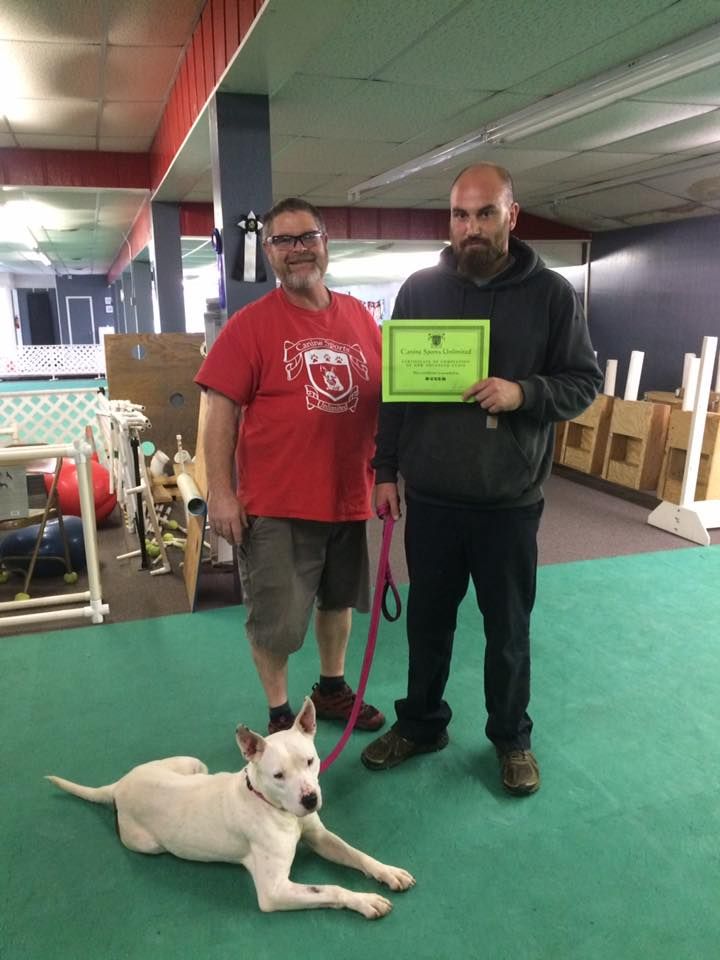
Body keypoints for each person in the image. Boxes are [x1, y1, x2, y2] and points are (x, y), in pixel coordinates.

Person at [360, 164, 603, 795]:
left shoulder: (552, 296)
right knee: (427, 625)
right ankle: (420, 725)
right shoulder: (418, 291)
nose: (471, 228)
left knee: (508, 633)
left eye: (485, 213)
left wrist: (523, 392)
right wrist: (385, 470)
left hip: (509, 503)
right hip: (433, 500)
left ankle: (511, 739)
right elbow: (395, 395)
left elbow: (584, 383)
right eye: (460, 215)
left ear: (512, 217)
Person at [195, 198, 385, 736]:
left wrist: (391, 471)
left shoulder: (359, 317)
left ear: (326, 244)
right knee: (277, 621)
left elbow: (384, 397)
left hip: (349, 496)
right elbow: (217, 410)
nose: (298, 250)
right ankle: (280, 715)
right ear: (268, 253)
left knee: (338, 602)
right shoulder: (249, 326)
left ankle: (331, 688)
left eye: (308, 238)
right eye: (284, 241)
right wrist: (221, 492)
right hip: (278, 504)